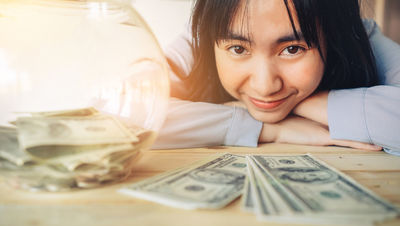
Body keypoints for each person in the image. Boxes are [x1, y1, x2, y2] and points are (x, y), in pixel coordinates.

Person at [153, 0, 400, 156]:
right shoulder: (203, 34)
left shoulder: (357, 35)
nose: (265, 87)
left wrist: (308, 104)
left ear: (333, 41)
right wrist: (269, 129)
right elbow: (124, 113)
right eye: (238, 49)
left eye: (293, 49)